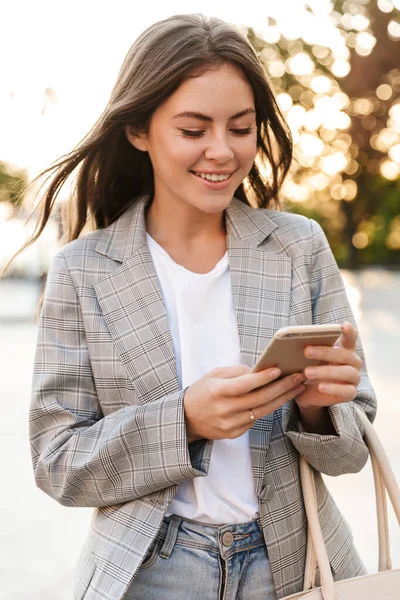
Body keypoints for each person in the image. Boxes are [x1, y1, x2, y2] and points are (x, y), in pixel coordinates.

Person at [24, 13, 376, 600]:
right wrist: (184, 421)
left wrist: (319, 410)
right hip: (152, 571)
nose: (222, 151)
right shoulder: (82, 270)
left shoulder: (298, 246)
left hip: (294, 566)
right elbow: (58, 460)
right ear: (139, 130)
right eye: (193, 129)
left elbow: (349, 453)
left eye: (240, 128)